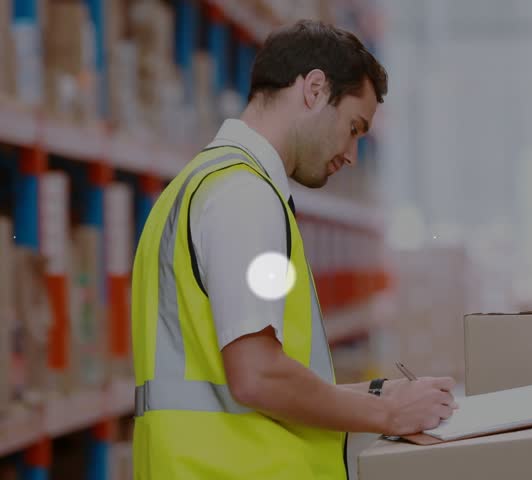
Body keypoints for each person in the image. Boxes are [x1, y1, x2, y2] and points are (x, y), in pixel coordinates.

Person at [131, 20, 457, 480]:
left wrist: (380, 394)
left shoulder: (201, 184)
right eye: (353, 128)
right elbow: (257, 376)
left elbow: (239, 375)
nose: (351, 155)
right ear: (315, 89)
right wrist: (387, 416)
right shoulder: (244, 196)